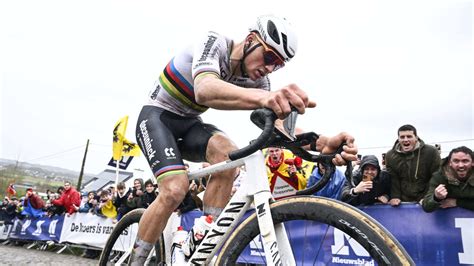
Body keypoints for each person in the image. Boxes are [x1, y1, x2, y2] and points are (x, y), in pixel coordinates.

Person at [131, 15, 358, 264]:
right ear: (251, 39)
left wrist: (322, 144)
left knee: (230, 157)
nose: (270, 68)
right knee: (175, 190)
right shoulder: (215, 42)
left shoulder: (260, 81)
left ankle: (199, 243)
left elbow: (281, 130)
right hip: (157, 117)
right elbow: (205, 89)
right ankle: (136, 260)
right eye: (270, 57)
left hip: (190, 125)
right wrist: (263, 98)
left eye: (278, 65)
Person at [386, 124, 441, 206]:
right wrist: (395, 196)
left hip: (425, 198)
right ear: (398, 139)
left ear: (416, 137)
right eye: (402, 137)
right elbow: (394, 178)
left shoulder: (431, 152)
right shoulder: (391, 155)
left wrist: (427, 197)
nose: (405, 139)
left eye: (409, 136)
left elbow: (436, 176)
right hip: (402, 202)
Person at [422, 146, 474, 212]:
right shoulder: (439, 177)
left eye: (465, 161)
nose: (461, 165)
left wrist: (457, 202)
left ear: (472, 162)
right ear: (450, 163)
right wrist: (436, 198)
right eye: (456, 161)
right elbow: (426, 207)